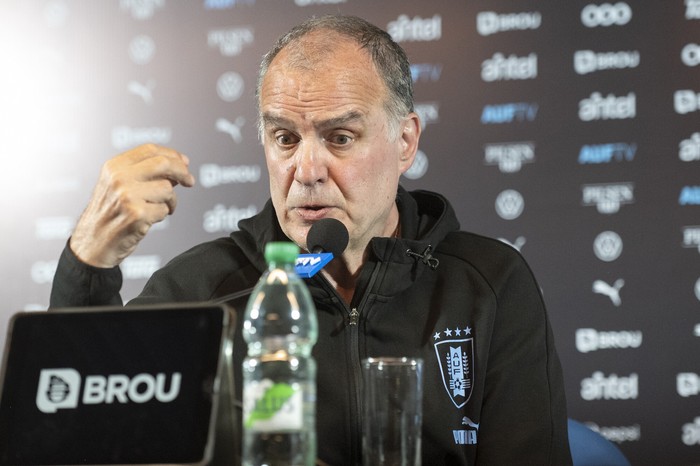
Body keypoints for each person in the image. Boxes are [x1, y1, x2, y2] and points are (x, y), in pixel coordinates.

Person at [50, 14, 572, 465]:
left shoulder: (490, 283)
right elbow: (74, 435)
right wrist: (89, 262)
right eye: (285, 138)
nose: (306, 170)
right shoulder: (202, 288)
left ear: (405, 141)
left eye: (340, 138)